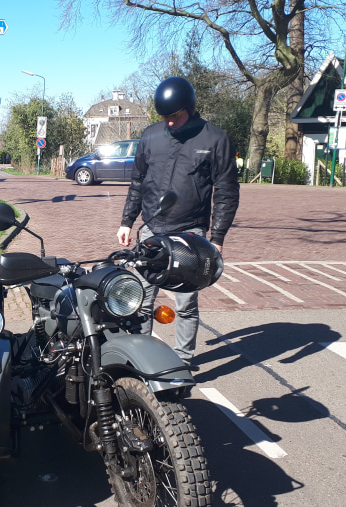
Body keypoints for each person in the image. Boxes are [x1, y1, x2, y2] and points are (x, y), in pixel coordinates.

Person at [116, 76, 240, 368]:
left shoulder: (215, 139)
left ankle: (183, 360)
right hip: (152, 229)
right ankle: (140, 359)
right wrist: (127, 222)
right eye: (165, 118)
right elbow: (137, 182)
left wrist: (217, 238)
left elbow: (226, 192)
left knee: (185, 303)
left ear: (190, 108)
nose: (170, 123)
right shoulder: (150, 136)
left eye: (176, 116)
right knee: (142, 300)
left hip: (190, 232)